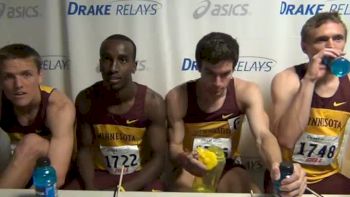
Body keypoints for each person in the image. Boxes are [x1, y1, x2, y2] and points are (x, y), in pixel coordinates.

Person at [166, 32, 306, 195]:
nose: (217, 83)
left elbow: (263, 135)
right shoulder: (178, 97)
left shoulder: (246, 91)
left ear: (234, 68)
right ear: (198, 67)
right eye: (210, 73)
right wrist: (185, 159)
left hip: (228, 165)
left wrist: (276, 165)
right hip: (192, 165)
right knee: (182, 189)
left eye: (225, 74)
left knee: (240, 187)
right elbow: (174, 146)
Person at [270, 12, 350, 194]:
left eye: (338, 38)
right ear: (304, 47)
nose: (331, 46)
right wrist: (310, 80)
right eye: (322, 40)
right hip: (289, 176)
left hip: (328, 175)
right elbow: (286, 140)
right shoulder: (287, 79)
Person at [75, 34, 167, 191]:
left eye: (123, 60)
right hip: (99, 175)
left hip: (139, 177)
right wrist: (91, 191)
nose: (113, 68)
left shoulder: (152, 103)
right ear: (100, 63)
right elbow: (84, 150)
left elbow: (159, 158)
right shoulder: (86, 99)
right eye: (107, 59)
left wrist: (123, 190)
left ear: (134, 66)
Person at [0, 44, 75, 188]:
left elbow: (57, 176)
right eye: (9, 77)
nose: (18, 85)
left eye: (26, 74)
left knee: (33, 143)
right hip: (21, 166)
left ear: (40, 76)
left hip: (61, 171)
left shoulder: (58, 106)